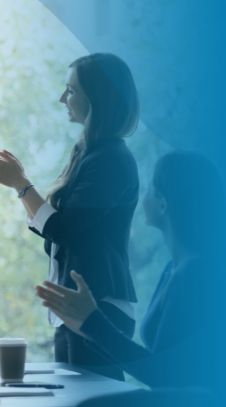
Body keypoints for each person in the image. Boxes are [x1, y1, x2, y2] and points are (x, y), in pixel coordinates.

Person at [0, 53, 140, 380]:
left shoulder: (110, 159)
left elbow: (65, 230)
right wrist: (19, 187)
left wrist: (20, 184)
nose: (63, 98)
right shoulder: (90, 154)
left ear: (97, 97)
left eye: (71, 90)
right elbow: (56, 228)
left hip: (100, 307)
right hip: (77, 308)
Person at [36, 151, 224, 405]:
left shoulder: (196, 278)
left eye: (150, 188)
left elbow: (162, 375)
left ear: (163, 204)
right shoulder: (174, 269)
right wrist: (88, 323)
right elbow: (159, 367)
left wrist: (92, 321)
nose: (142, 197)